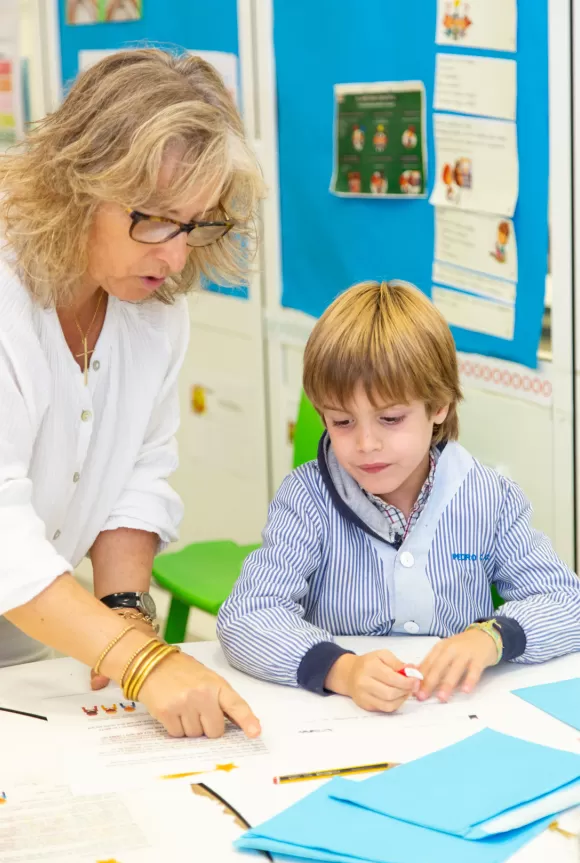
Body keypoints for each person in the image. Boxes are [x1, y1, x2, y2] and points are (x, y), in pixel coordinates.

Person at [0, 48, 264, 739]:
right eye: (153, 220)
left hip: (32, 625)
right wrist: (143, 663)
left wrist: (122, 606)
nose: (175, 256)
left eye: (196, 223)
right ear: (76, 185)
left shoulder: (151, 304)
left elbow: (137, 469)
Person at [217, 280, 580, 713]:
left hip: (454, 713)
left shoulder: (490, 497)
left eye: (390, 419)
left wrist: (491, 637)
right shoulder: (306, 498)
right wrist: (342, 670)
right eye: (342, 422)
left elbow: (566, 602)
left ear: (439, 405)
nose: (366, 444)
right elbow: (246, 616)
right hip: (341, 716)